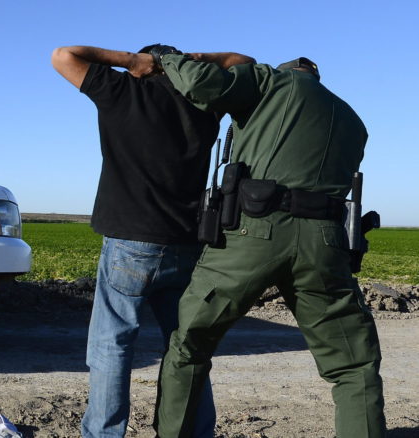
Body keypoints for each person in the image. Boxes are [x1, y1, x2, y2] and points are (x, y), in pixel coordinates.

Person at [145, 52, 386, 438]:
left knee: (189, 345)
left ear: (285, 71)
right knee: (354, 368)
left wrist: (166, 58)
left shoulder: (269, 82)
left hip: (253, 232)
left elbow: (201, 85)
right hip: (326, 242)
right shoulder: (352, 120)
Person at [51, 44, 254, 437]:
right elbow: (244, 63)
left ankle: (104, 433)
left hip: (129, 243)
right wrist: (197, 62)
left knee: (112, 346)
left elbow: (63, 55)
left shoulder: (122, 91)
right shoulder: (205, 103)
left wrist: (129, 61)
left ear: (143, 69)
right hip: (188, 245)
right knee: (186, 349)